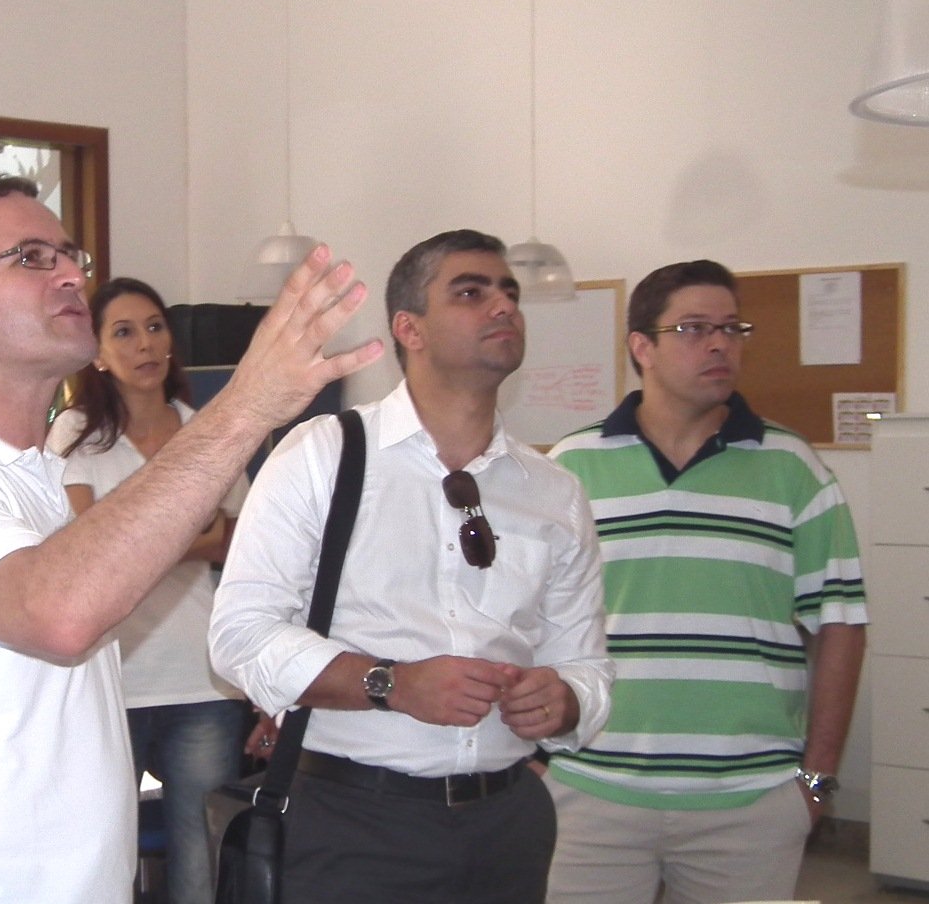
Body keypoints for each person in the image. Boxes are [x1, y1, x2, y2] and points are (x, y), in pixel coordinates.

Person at [0, 173, 381, 903]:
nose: (70, 275)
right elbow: (59, 613)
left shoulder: (36, 478)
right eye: (31, 257)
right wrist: (246, 404)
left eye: (70, 255)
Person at [208, 229, 614, 904]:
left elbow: (587, 666)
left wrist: (565, 699)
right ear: (409, 328)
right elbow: (239, 638)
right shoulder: (322, 455)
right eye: (470, 292)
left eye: (509, 292)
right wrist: (390, 684)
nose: (502, 306)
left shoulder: (553, 491)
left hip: (508, 822)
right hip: (352, 822)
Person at [545, 259, 868, 904]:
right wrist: (534, 760)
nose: (720, 344)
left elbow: (840, 626)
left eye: (732, 328)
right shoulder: (570, 467)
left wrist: (816, 781)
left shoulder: (794, 468)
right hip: (592, 791)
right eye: (693, 328)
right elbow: (527, 619)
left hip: (749, 802)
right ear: (642, 347)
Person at [47, 276, 255, 904]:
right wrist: (192, 531)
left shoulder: (206, 431)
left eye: (155, 327)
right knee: (99, 858)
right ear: (97, 353)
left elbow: (242, 541)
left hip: (202, 681)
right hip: (111, 679)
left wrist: (135, 539)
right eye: (124, 332)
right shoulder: (75, 433)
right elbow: (86, 550)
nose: (145, 344)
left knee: (200, 862)